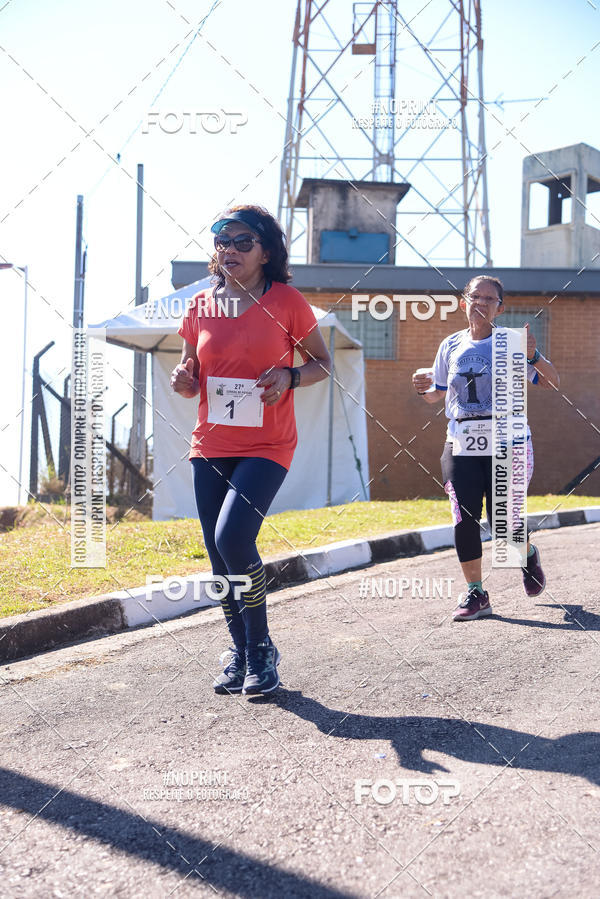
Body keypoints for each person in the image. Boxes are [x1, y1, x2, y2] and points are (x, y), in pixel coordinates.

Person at [171, 205, 330, 693]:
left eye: (244, 242)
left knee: (234, 538)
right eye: (223, 240)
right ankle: (240, 651)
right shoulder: (200, 306)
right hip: (212, 442)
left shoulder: (285, 301)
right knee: (217, 556)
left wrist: (290, 375)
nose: (231, 250)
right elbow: (188, 377)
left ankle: (262, 648)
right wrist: (182, 381)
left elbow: (322, 363)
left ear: (265, 251)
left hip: (268, 441)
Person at [411, 275, 560, 621]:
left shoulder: (512, 342)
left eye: (489, 299)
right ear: (463, 303)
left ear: (500, 308)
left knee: (504, 527)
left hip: (507, 440)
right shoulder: (450, 345)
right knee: (464, 517)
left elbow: (553, 382)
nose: (481, 303)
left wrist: (535, 354)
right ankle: (476, 593)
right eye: (474, 297)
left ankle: (527, 554)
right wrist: (423, 388)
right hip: (461, 440)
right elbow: (436, 394)